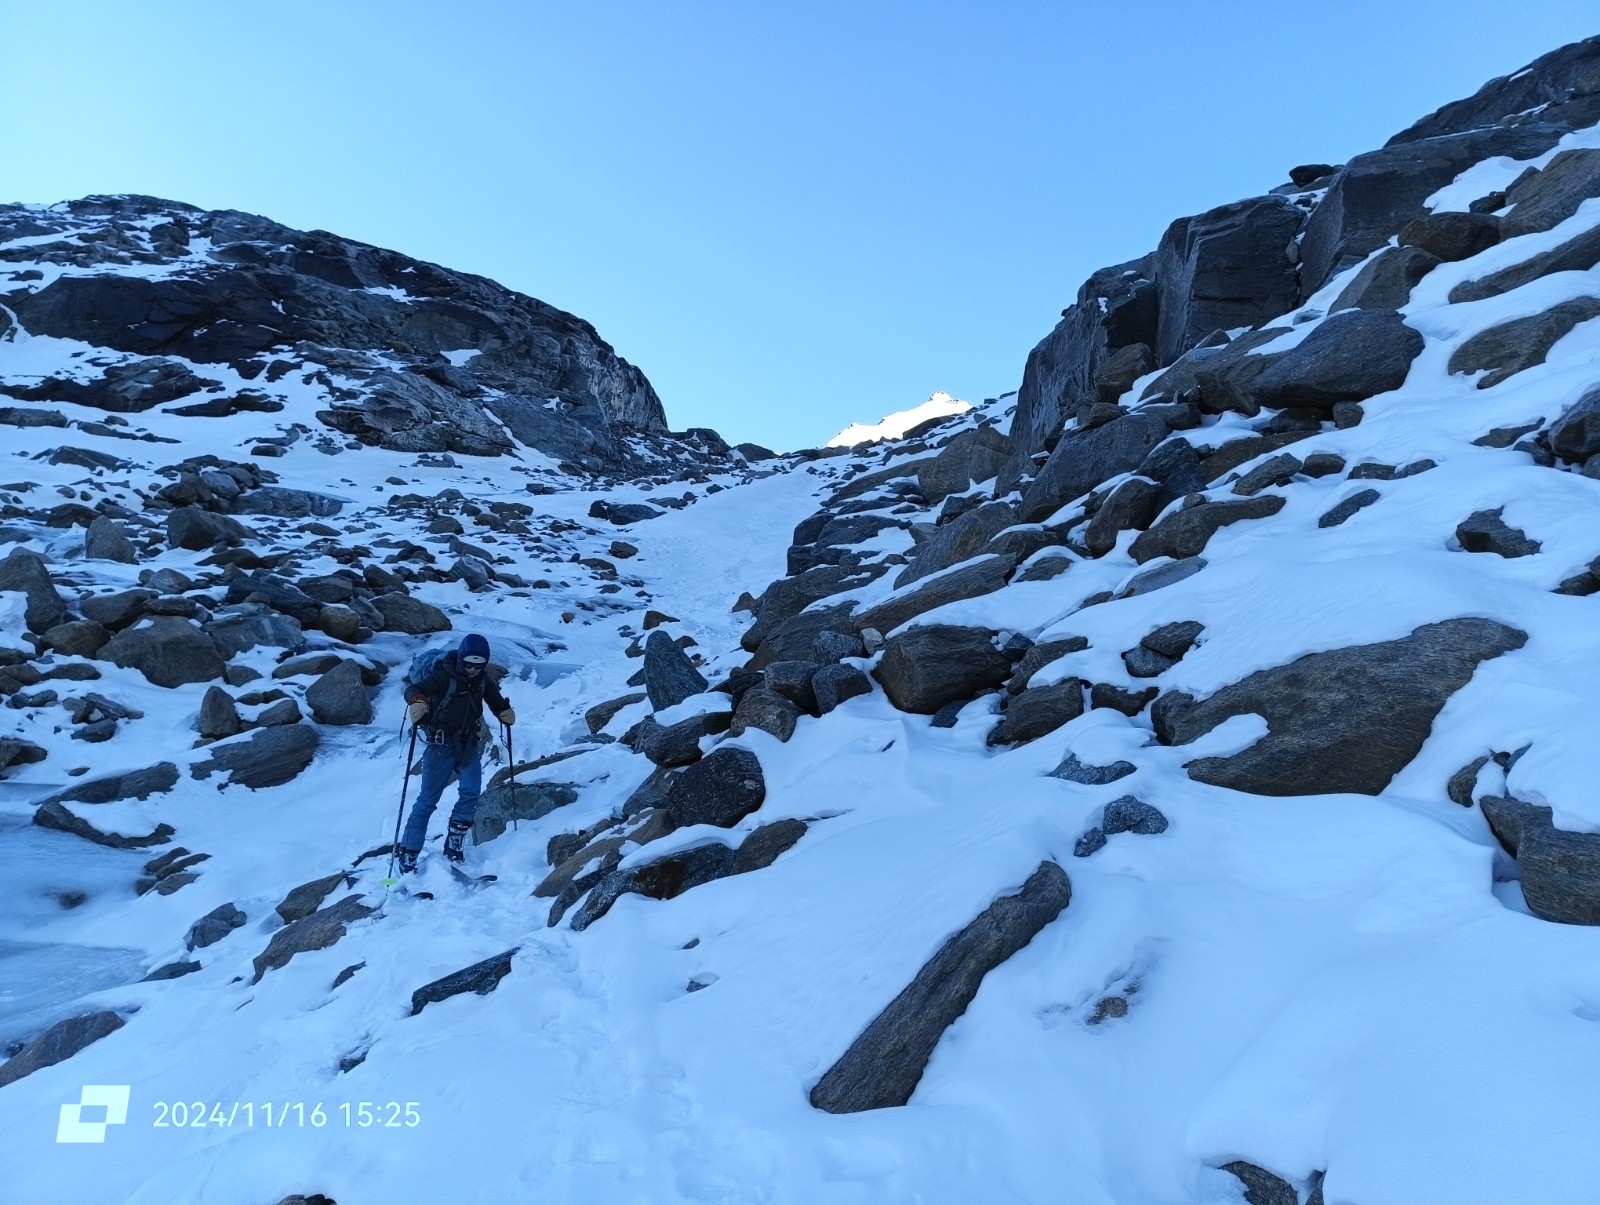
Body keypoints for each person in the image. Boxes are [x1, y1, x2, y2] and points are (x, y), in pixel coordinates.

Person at [397, 632, 515, 872]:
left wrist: (504, 711)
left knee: (471, 792)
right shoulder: (443, 675)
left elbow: (495, 701)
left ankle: (454, 844)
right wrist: (417, 700)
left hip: (468, 744)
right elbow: (413, 689)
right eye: (468, 664)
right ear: (460, 659)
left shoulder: (482, 680)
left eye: (479, 665)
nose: (472, 669)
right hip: (440, 746)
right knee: (428, 801)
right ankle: (409, 852)